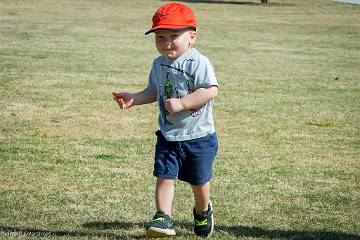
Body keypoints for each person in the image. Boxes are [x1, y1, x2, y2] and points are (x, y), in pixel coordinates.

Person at [112, 2, 219, 238]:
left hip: (198, 136)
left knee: (198, 180)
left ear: (192, 37)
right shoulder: (158, 64)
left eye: (174, 35)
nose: (167, 42)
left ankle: (202, 212)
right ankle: (163, 216)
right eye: (160, 37)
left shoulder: (198, 62)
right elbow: (154, 91)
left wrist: (182, 103)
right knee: (164, 175)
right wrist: (134, 98)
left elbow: (210, 90)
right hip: (168, 135)